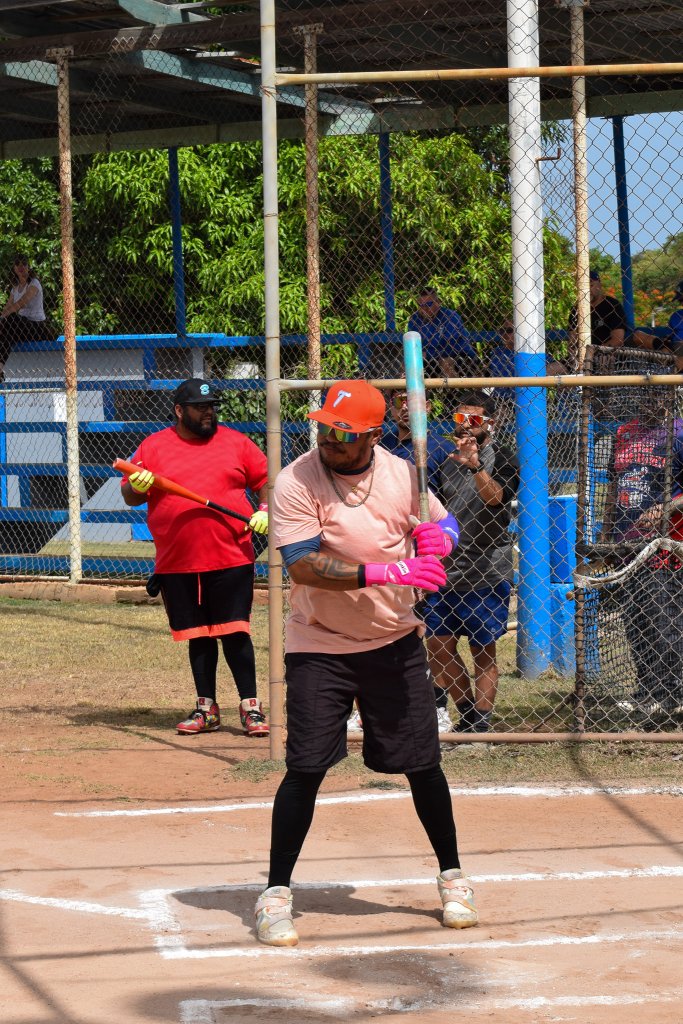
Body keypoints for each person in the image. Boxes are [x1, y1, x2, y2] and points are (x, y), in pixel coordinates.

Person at [254, 379, 476, 947]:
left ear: (374, 435)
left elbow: (442, 520)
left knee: (423, 765)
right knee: (305, 767)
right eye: (327, 429)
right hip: (320, 643)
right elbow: (302, 566)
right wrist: (389, 571)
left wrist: (443, 537)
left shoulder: (404, 475)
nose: (331, 439)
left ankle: (453, 878)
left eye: (345, 433)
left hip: (393, 638)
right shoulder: (296, 480)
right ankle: (276, 892)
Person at [121, 378, 271, 738]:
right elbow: (130, 494)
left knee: (235, 631)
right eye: (200, 407)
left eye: (211, 407)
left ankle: (251, 708)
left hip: (231, 554)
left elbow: (266, 480)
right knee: (198, 636)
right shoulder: (154, 446)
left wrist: (265, 509)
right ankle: (206, 709)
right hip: (178, 561)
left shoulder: (237, 443)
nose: (208, 413)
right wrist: (136, 486)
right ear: (179, 410)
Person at [424, 391, 520, 734]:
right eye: (459, 418)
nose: (465, 425)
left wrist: (476, 466)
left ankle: (480, 724)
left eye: (474, 419)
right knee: (438, 647)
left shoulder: (504, 458)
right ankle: (467, 712)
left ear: (490, 424)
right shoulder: (444, 460)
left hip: (486, 571)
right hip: (446, 570)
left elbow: (496, 498)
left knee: (483, 651)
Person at [378, 386, 456, 734]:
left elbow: (449, 507)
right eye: (400, 402)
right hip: (389, 553)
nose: (407, 409)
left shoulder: (438, 448)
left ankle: (437, 706)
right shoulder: (381, 448)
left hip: (429, 552)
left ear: (428, 407)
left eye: (415, 402)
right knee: (382, 632)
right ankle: (376, 705)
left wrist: (440, 539)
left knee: (434, 636)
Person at [602, 399, 683, 721]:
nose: (652, 401)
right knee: (635, 621)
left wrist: (665, 508)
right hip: (627, 542)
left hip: (665, 542)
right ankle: (647, 689)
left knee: (663, 619)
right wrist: (607, 532)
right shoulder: (625, 432)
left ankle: (670, 692)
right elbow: (613, 485)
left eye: (659, 393)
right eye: (647, 394)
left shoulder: (678, 431)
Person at [407, 286, 480, 380]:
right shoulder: (415, 319)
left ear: (438, 302)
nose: (425, 308)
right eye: (421, 305)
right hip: (429, 359)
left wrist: (427, 354)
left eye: (429, 304)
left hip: (458, 356)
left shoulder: (450, 316)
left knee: (446, 362)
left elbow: (451, 347)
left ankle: (455, 389)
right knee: (406, 362)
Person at [0, 254, 48, 379]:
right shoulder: (14, 289)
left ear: (28, 267)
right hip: (20, 327)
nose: (21, 266)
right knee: (7, 334)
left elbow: (21, 303)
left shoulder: (34, 283)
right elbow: (6, 308)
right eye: (18, 264)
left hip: (36, 327)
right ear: (14, 268)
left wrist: (2, 318)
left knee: (10, 319)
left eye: (24, 264)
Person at [567, 270, 627, 369]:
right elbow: (572, 341)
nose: (587, 290)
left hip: (605, 354)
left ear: (599, 285)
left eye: (590, 285)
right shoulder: (576, 309)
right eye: (582, 287)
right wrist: (573, 356)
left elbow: (618, 339)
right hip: (580, 357)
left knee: (605, 361)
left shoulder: (612, 305)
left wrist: (594, 352)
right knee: (550, 369)